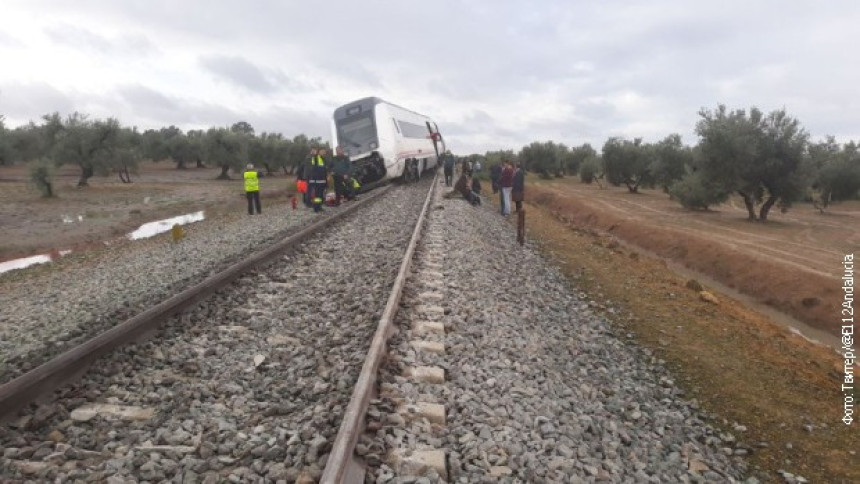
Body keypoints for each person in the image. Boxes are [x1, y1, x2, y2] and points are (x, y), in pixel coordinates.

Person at [308, 148, 328, 212]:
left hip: (322, 180)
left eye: (324, 152)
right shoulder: (315, 158)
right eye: (322, 151)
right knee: (317, 195)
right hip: (317, 180)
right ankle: (316, 208)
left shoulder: (323, 159)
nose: (324, 153)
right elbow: (312, 169)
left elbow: (324, 169)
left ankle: (319, 207)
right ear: (319, 152)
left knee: (321, 195)